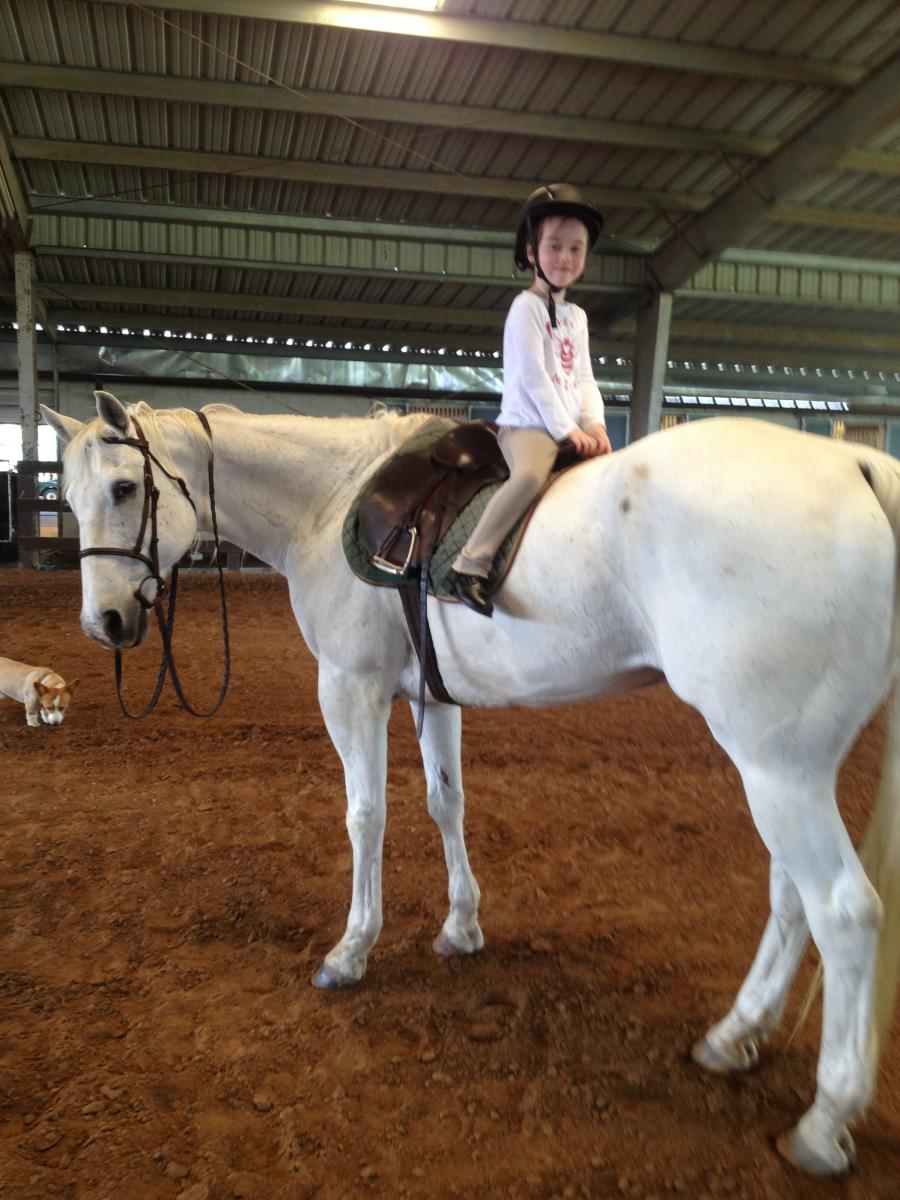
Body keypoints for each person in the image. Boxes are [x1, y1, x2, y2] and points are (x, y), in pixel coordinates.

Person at [447, 183, 613, 618]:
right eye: (554, 246)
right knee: (528, 478)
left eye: (576, 249)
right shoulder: (526, 308)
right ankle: (470, 564)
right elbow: (535, 378)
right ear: (531, 250)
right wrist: (567, 431)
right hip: (527, 427)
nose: (565, 257)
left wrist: (596, 426)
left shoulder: (576, 317)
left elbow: (583, 377)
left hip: (570, 427)